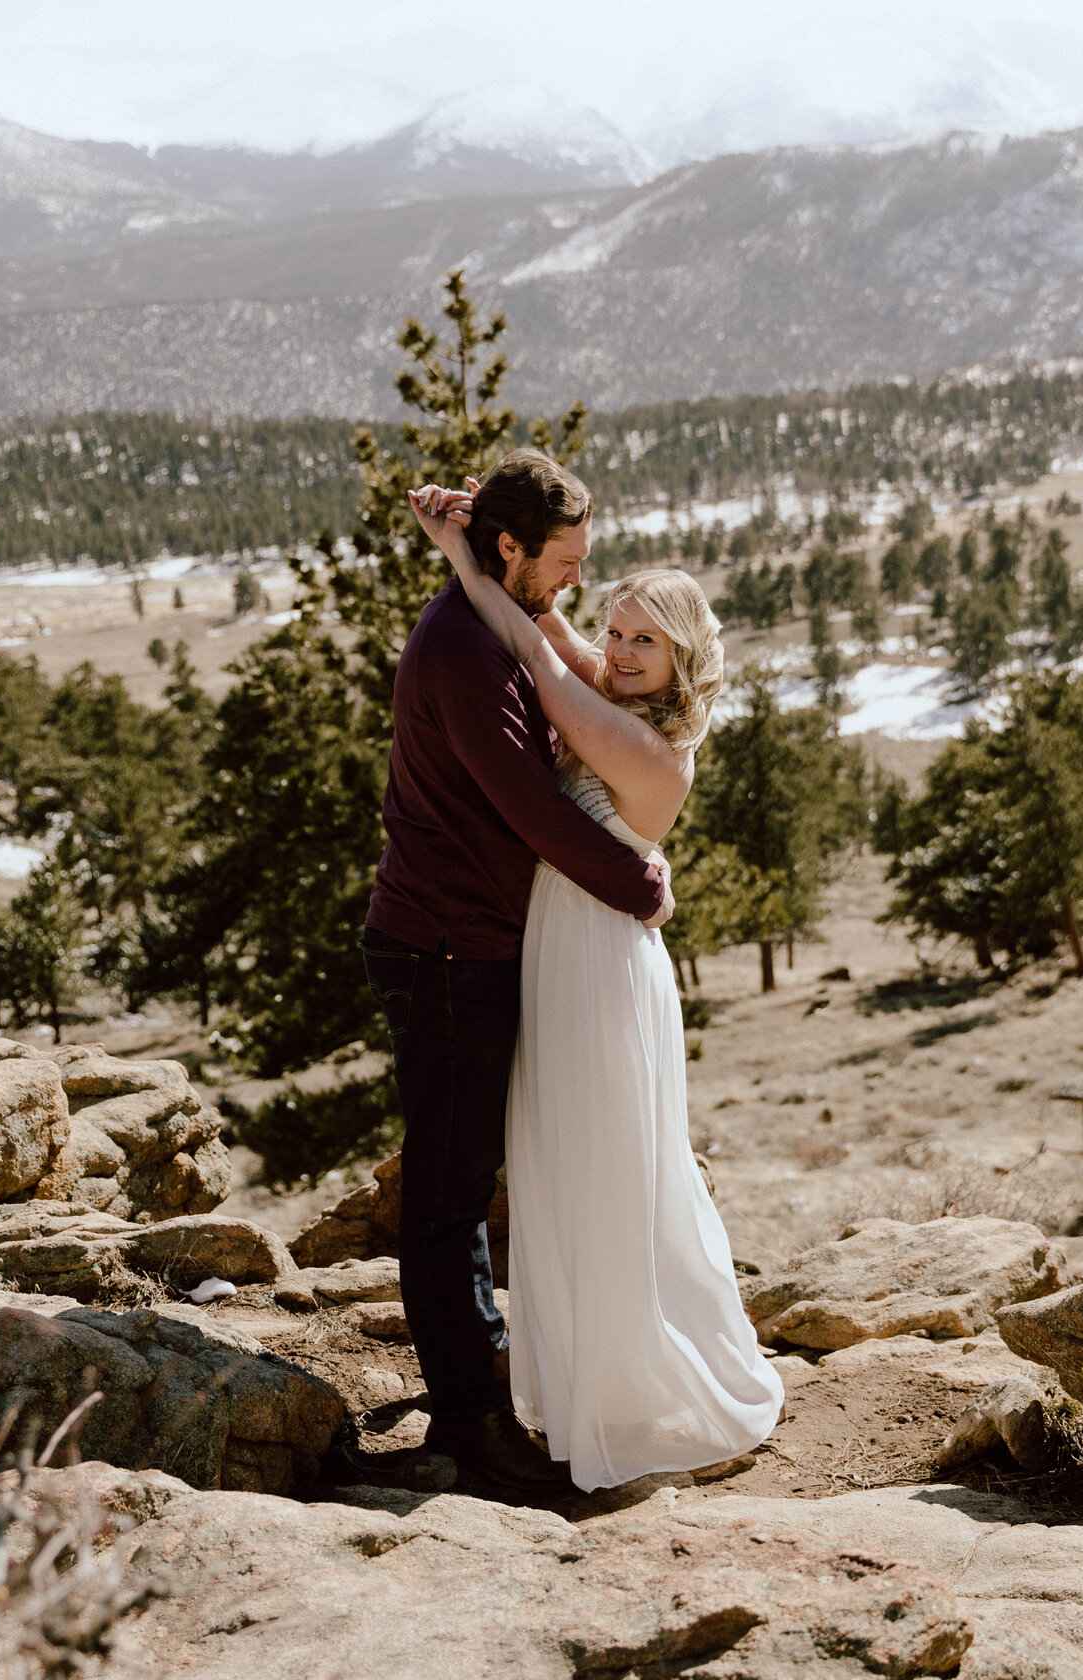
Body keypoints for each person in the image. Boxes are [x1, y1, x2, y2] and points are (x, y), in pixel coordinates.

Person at [409, 466, 784, 1492]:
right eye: (614, 631)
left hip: (603, 967)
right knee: (559, 1175)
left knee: (612, 1177)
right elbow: (547, 632)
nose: (615, 651)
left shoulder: (646, 745)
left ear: (683, 661)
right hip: (561, 953)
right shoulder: (612, 690)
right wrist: (473, 550)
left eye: (642, 641)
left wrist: (460, 557)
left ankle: (636, 1399)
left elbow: (533, 644)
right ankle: (578, 1390)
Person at [361, 449, 672, 1495]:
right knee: (448, 1198)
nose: (578, 580)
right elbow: (527, 808)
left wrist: (461, 555)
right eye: (569, 561)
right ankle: (471, 1426)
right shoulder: (461, 652)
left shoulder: (485, 617)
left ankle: (479, 1389)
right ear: (513, 550)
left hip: (468, 940)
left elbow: (552, 653)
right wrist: (639, 886)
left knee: (464, 1181)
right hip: (443, 949)